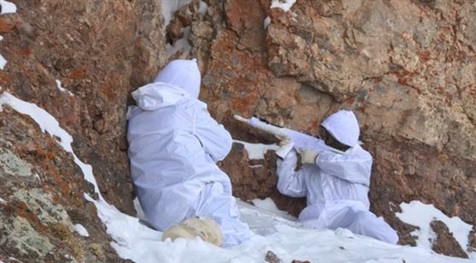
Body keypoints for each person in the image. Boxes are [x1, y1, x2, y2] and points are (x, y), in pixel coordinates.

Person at [127, 59, 251, 247]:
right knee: (238, 239)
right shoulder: (187, 108)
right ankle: (199, 238)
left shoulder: (137, 114)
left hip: (157, 211)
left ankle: (190, 234)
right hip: (192, 196)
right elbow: (223, 144)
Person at [275, 110, 399, 244]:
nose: (325, 140)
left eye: (330, 137)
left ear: (342, 137)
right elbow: (287, 187)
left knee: (370, 225)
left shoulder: (361, 158)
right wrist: (288, 152)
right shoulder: (313, 164)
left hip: (350, 216)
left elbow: (344, 166)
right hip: (318, 217)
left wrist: (317, 157)